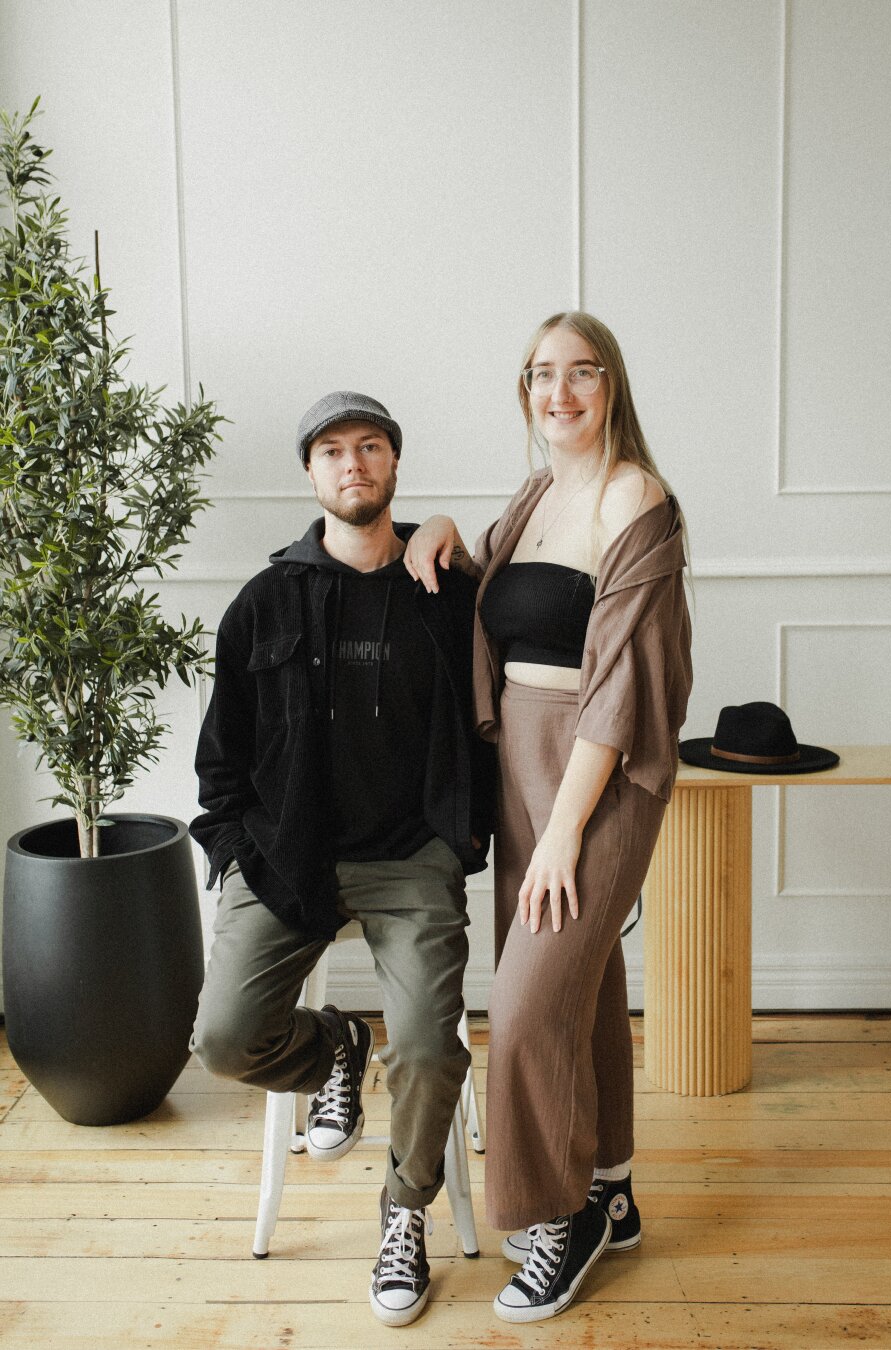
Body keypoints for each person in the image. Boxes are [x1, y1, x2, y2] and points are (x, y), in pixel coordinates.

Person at [404, 311, 692, 1324]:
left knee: (525, 1007)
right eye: (540, 376)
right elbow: (494, 588)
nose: (558, 393)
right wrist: (441, 531)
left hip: (594, 772)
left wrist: (568, 828)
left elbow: (619, 686)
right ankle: (609, 1186)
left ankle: (556, 1220)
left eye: (580, 374)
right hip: (517, 759)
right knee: (586, 982)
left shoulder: (637, 502)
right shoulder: (537, 495)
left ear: (613, 385)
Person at [189, 391, 493, 1327]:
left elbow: (523, 599)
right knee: (223, 1041)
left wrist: (451, 535)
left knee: (436, 1049)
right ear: (311, 474)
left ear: (395, 465)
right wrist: (242, 853)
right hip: (289, 856)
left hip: (412, 859)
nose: (353, 463)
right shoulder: (263, 601)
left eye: (370, 447)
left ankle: (404, 1213)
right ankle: (336, 1049)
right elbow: (219, 763)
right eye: (332, 450)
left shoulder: (446, 592)